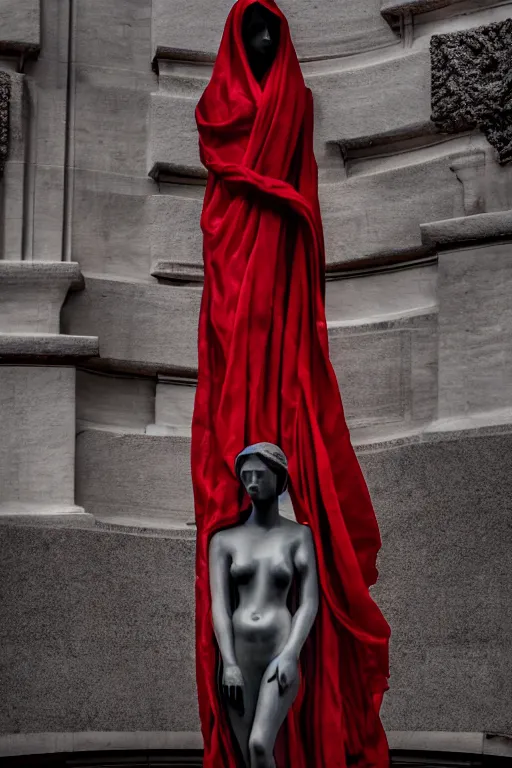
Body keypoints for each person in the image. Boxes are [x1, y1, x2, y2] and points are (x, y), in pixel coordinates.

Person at [191, 1, 391, 766]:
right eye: (254, 35)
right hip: (238, 282)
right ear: (235, 48)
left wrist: (292, 213)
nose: (267, 42)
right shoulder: (216, 110)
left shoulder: (296, 103)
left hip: (282, 279)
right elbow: (221, 209)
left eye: (273, 31)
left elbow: (294, 175)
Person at [209, 443, 318, 768]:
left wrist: (290, 653)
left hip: (279, 647)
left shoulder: (299, 536)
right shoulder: (224, 540)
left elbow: (309, 601)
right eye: (246, 476)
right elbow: (219, 606)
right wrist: (228, 663)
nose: (252, 482)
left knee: (259, 745)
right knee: (248, 757)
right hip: (238, 654)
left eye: (260, 474)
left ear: (279, 478)